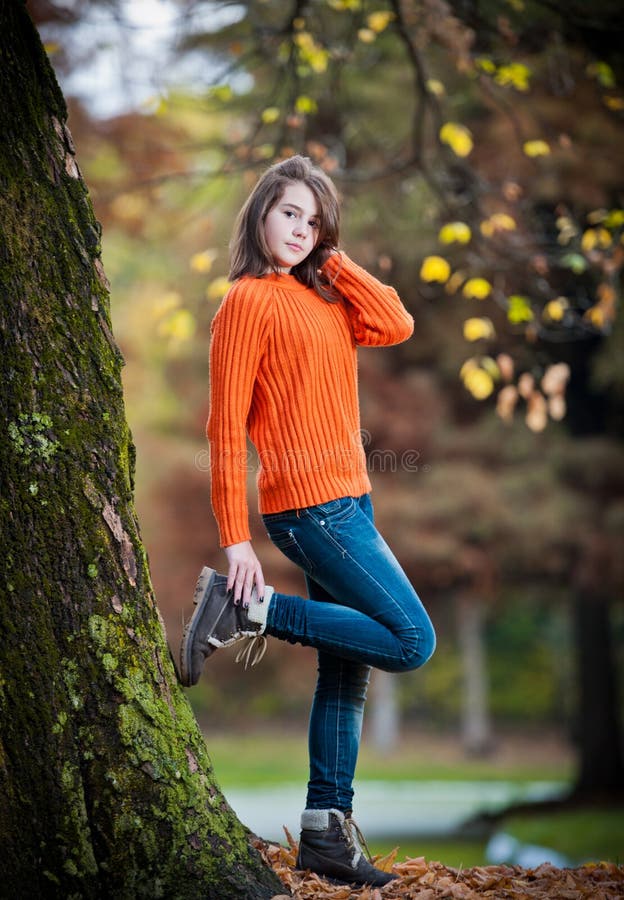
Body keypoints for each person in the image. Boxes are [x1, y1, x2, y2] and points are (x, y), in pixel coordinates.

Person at [179, 155, 435, 888]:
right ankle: (246, 607)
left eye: (314, 219)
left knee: (347, 674)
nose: (301, 228)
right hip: (309, 509)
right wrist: (235, 540)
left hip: (351, 499)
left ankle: (326, 832)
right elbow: (224, 429)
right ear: (261, 212)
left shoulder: (323, 297)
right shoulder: (247, 302)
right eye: (290, 212)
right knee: (411, 640)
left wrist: (334, 258)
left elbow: (395, 321)